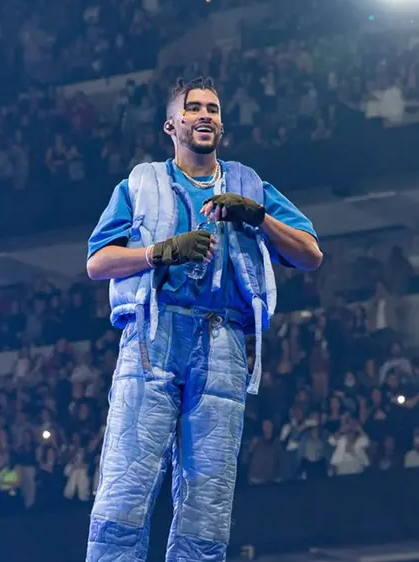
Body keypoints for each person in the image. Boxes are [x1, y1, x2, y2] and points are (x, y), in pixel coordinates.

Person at [84, 77, 323, 561]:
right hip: (154, 335)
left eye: (212, 109)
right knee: (127, 480)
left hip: (222, 339)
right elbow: (97, 262)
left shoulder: (248, 186)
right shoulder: (141, 183)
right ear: (171, 125)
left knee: (209, 494)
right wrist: (158, 252)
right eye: (193, 108)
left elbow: (311, 254)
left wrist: (258, 217)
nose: (205, 115)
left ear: (222, 125)